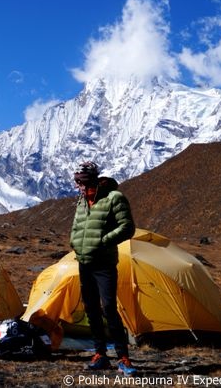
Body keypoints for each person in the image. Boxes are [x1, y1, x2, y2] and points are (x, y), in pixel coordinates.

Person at [70, 161, 137, 376]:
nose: (77, 184)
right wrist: (75, 243)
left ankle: (123, 358)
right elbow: (77, 225)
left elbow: (127, 227)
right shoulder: (81, 199)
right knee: (91, 309)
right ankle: (100, 355)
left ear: (91, 178)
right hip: (84, 262)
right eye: (76, 180)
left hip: (104, 264)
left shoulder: (113, 197)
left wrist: (103, 240)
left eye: (80, 180)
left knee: (109, 308)